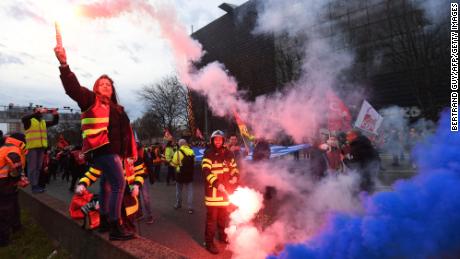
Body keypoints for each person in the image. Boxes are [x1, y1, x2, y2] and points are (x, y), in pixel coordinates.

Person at [54, 44, 137, 241]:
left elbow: (127, 135)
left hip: (115, 153)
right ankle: (116, 227)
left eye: (109, 84)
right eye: (102, 84)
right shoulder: (90, 100)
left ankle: (105, 222)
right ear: (96, 89)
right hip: (103, 150)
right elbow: (72, 88)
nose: (106, 86)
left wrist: (129, 155)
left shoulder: (118, 109)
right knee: (118, 183)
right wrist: (64, 64)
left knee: (108, 185)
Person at [202, 130, 239, 254]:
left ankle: (223, 237)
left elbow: (234, 168)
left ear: (223, 140)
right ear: (212, 140)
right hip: (213, 195)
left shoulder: (229, 153)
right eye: (215, 139)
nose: (218, 141)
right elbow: (206, 171)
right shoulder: (208, 153)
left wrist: (235, 177)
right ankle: (209, 242)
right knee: (211, 220)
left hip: (225, 195)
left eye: (220, 139)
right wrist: (216, 184)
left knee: (223, 218)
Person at [0, 133, 30, 246]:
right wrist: (19, 178)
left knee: (13, 206)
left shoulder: (4, 147)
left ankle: (16, 227)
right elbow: (15, 164)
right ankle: (3, 240)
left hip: (6, 183)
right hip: (4, 184)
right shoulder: (14, 149)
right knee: (5, 210)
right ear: (21, 141)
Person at [22, 107, 59, 193]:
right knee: (32, 167)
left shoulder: (42, 122)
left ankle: (36, 185)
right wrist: (38, 112)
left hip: (41, 147)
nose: (41, 111)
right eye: (39, 109)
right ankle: (33, 186)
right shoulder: (29, 121)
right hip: (32, 147)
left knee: (38, 168)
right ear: (34, 112)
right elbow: (24, 118)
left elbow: (55, 122)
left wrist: (55, 114)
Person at [171, 139, 195, 214]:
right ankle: (190, 207)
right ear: (186, 144)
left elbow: (174, 164)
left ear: (179, 144)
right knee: (190, 191)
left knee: (179, 191)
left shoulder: (177, 152)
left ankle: (178, 204)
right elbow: (193, 162)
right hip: (189, 174)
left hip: (180, 174)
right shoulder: (191, 151)